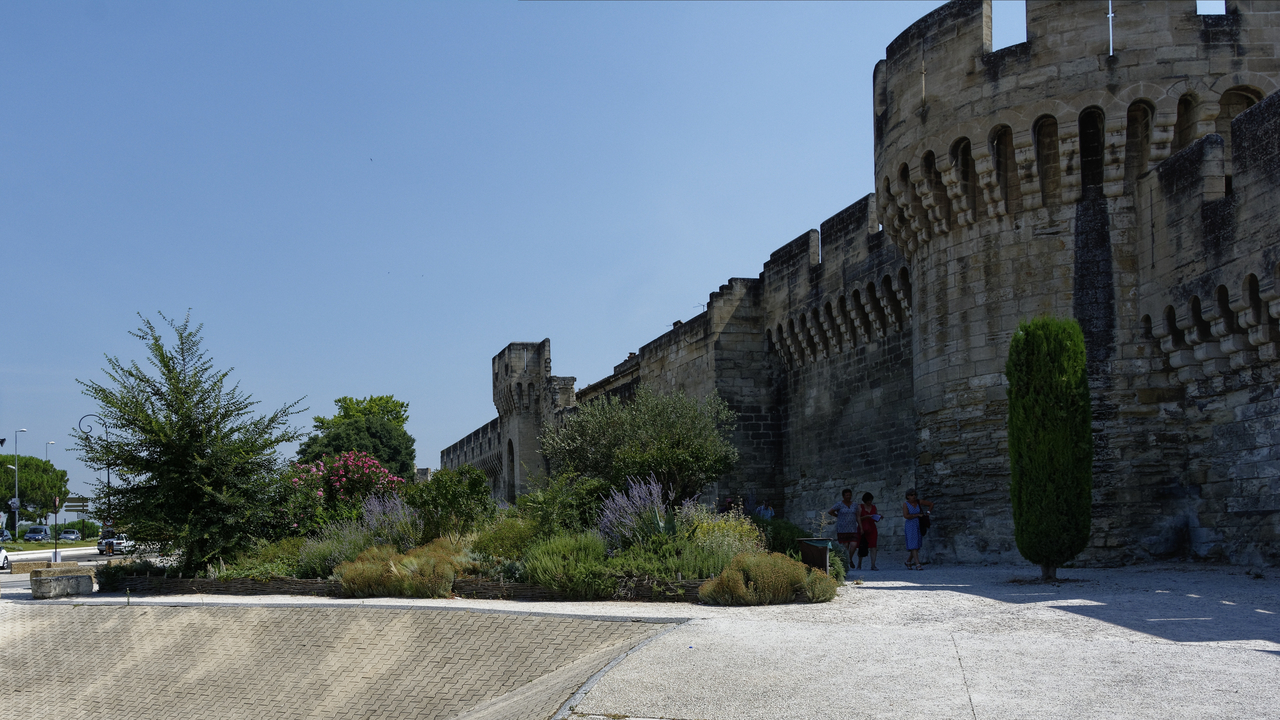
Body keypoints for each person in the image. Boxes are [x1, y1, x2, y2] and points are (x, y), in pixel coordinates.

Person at [902, 488, 934, 570]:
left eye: (915, 494)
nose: (914, 496)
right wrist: (916, 515)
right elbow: (906, 516)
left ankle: (908, 561)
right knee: (913, 545)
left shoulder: (919, 502)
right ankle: (917, 564)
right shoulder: (906, 504)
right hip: (910, 525)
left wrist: (928, 513)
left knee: (918, 544)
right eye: (912, 495)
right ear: (908, 496)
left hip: (919, 524)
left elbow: (931, 504)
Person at [828, 488, 860, 562]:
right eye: (847, 495)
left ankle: (850, 558)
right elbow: (830, 511)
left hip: (852, 528)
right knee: (845, 546)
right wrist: (837, 516)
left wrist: (860, 526)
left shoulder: (855, 505)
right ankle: (847, 560)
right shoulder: (839, 504)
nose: (848, 496)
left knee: (854, 545)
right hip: (842, 528)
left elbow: (857, 516)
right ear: (843, 496)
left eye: (849, 495)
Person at [857, 492, 881, 570]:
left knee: (873, 546)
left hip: (872, 528)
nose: (869, 502)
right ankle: (859, 564)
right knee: (861, 546)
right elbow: (858, 518)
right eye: (868, 500)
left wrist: (878, 517)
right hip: (862, 528)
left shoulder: (874, 507)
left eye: (870, 500)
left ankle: (873, 564)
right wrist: (866, 517)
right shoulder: (860, 507)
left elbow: (875, 518)